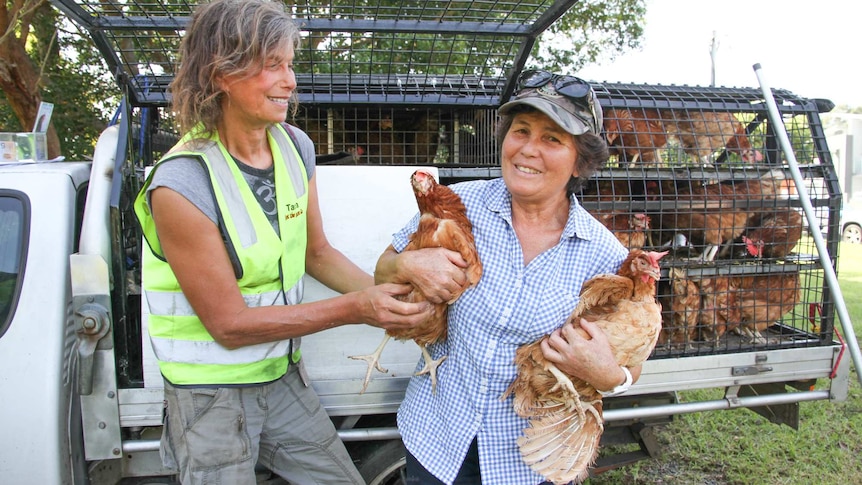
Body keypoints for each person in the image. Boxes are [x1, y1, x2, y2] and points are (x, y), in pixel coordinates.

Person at [133, 0, 431, 483]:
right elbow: (228, 325)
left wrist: (393, 298)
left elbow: (318, 253)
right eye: (272, 66)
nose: (290, 81)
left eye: (289, 64)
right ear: (220, 74)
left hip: (281, 377)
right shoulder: (181, 184)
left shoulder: (294, 146)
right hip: (208, 394)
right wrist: (360, 308)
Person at [374, 70, 642, 484]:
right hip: (436, 438)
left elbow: (630, 361)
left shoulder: (604, 254)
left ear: (580, 161)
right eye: (521, 131)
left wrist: (610, 377)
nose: (528, 150)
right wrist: (407, 265)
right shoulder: (459, 204)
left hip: (530, 460)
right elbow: (382, 270)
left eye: (552, 139)